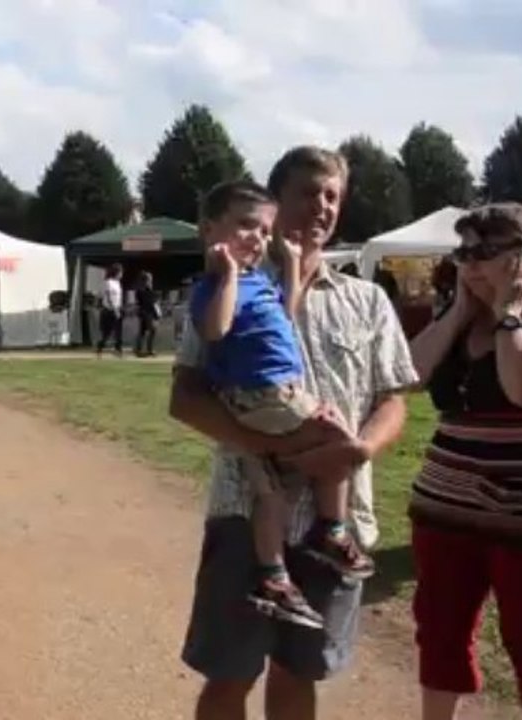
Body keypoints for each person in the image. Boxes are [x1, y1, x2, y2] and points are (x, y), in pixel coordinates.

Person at [170, 146, 416, 718]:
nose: (321, 206)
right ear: (276, 202)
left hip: (337, 524)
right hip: (245, 512)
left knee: (298, 673)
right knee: (230, 675)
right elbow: (185, 398)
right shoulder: (230, 283)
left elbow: (393, 399)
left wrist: (358, 451)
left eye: (332, 196)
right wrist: (271, 448)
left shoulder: (367, 300)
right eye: (308, 192)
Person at [407, 203, 522, 720]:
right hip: (447, 505)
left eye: (485, 251)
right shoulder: (458, 315)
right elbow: (407, 374)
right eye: (463, 252)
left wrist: (510, 315)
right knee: (439, 628)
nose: (471, 264)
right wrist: (459, 312)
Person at [188, 179, 375, 629]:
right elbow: (215, 329)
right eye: (245, 225)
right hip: (265, 393)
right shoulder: (214, 285)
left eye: (263, 230)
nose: (256, 238)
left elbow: (286, 315)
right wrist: (227, 275)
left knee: (270, 492)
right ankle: (332, 529)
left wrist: (289, 265)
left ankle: (273, 575)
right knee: (339, 440)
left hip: (265, 398)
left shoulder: (257, 281)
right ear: (210, 230)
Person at [96, 263, 124, 357]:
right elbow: (108, 297)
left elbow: (118, 297)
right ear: (117, 273)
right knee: (107, 332)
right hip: (109, 310)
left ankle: (118, 350)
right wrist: (114, 309)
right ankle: (100, 347)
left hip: (118, 307)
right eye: (121, 272)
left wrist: (119, 308)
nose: (121, 274)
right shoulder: (108, 282)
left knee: (118, 331)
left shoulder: (118, 283)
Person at [134, 271, 161, 357]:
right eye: (149, 279)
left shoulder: (140, 290)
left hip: (144, 312)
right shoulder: (145, 290)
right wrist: (157, 313)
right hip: (147, 312)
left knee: (143, 331)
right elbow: (151, 302)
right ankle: (148, 349)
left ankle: (139, 349)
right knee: (152, 330)